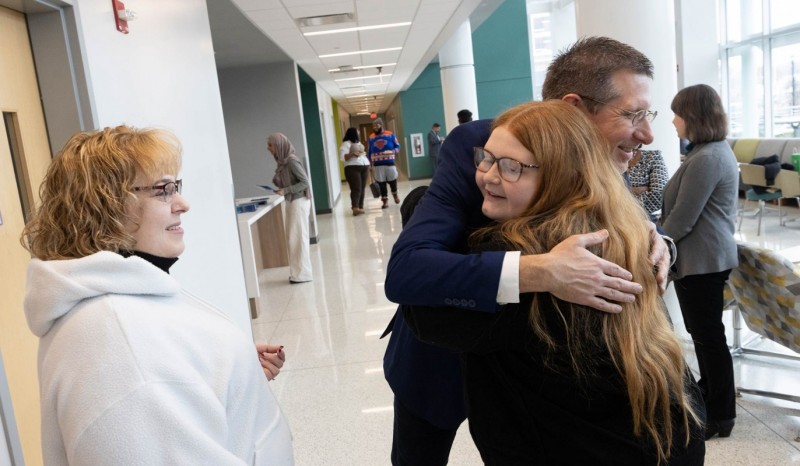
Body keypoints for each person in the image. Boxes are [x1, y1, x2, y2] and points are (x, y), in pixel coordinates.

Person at [383, 36, 672, 465]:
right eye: (631, 115)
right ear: (574, 108)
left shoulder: (608, 157)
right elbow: (408, 270)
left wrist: (661, 244)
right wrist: (542, 271)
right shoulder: (482, 146)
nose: (646, 133)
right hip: (442, 354)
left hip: (542, 384)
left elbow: (631, 220)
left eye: (646, 115)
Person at [21, 125, 293, 465]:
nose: (182, 203)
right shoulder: (121, 349)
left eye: (175, 187)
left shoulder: (120, 307)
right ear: (105, 206)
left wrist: (222, 369)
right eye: (163, 190)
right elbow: (142, 385)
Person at [661, 84, 739, 440]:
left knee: (708, 337)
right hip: (701, 257)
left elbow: (683, 218)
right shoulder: (706, 151)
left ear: (693, 116)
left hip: (703, 260)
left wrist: (656, 243)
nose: (674, 120)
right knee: (704, 335)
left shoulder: (707, 157)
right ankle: (711, 397)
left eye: (678, 113)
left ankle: (721, 416)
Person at [269, 132, 312, 284]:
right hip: (293, 201)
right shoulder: (283, 162)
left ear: (279, 145)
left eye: (271, 145)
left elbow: (305, 182)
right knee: (293, 238)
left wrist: (286, 190)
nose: (268, 148)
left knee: (298, 238)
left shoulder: (292, 161)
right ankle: (297, 273)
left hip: (299, 202)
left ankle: (303, 275)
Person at [367, 118, 401, 208]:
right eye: (373, 126)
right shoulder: (371, 137)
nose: (375, 127)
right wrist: (370, 164)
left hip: (389, 162)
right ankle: (385, 201)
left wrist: (394, 151)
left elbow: (398, 146)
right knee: (381, 183)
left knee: (393, 180)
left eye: (377, 125)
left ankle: (395, 194)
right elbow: (369, 151)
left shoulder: (390, 134)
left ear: (381, 125)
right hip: (377, 164)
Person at [628, 148, 670, 220]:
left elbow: (658, 197)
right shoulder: (606, 160)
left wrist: (622, 192)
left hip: (644, 220)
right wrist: (634, 190)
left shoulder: (652, 157)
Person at [340, 127, 370, 216]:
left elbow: (362, 153)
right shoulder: (345, 144)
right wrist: (353, 154)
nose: (359, 134)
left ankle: (360, 207)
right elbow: (343, 157)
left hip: (364, 165)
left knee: (362, 188)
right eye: (357, 133)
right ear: (353, 134)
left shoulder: (358, 143)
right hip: (352, 167)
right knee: (356, 188)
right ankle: (355, 208)